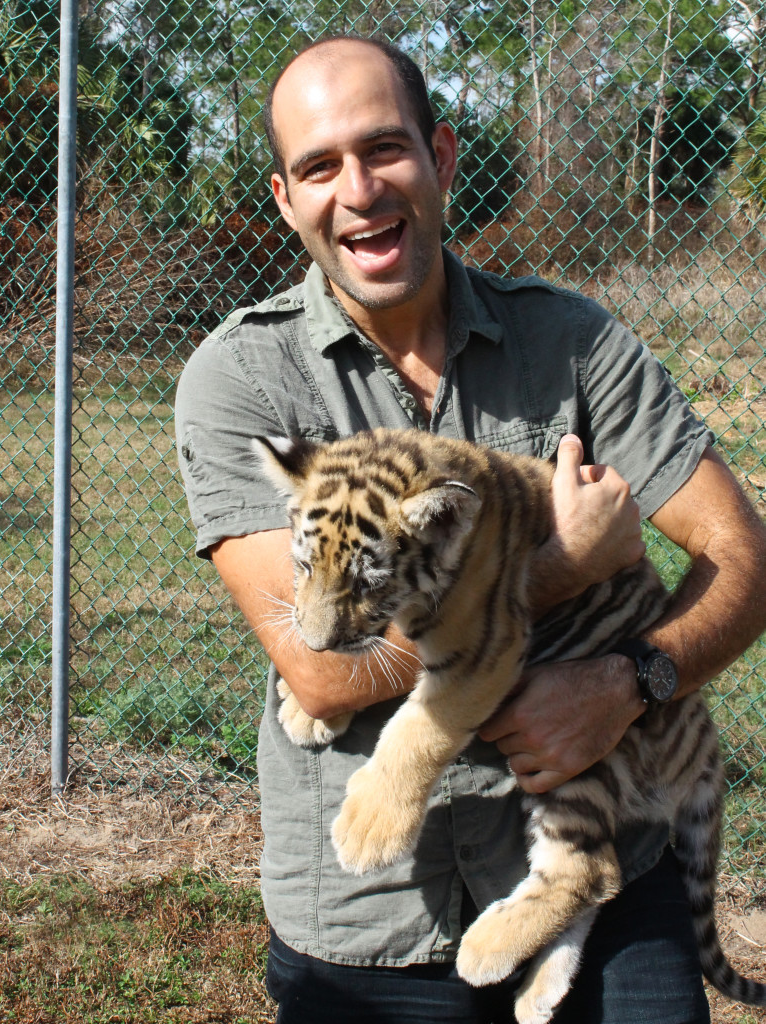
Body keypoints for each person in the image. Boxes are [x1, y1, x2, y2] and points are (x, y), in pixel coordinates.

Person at [175, 35, 766, 1024]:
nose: (357, 189)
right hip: (374, 915)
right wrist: (563, 565)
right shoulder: (243, 378)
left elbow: (742, 555)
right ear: (285, 199)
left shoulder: (570, 341)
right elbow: (322, 660)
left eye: (384, 149)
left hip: (611, 870)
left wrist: (633, 679)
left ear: (441, 158)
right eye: (319, 166)